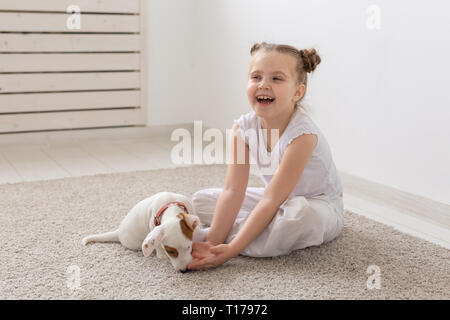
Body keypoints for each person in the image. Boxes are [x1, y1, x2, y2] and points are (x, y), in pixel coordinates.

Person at [187, 42, 344, 271]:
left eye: (276, 79)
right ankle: (244, 231)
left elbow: (272, 199)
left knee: (298, 217)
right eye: (256, 77)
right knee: (201, 200)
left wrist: (230, 251)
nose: (263, 85)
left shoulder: (303, 136)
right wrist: (212, 242)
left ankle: (241, 237)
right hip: (278, 199)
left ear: (297, 92)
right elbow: (233, 190)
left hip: (318, 205)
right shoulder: (242, 128)